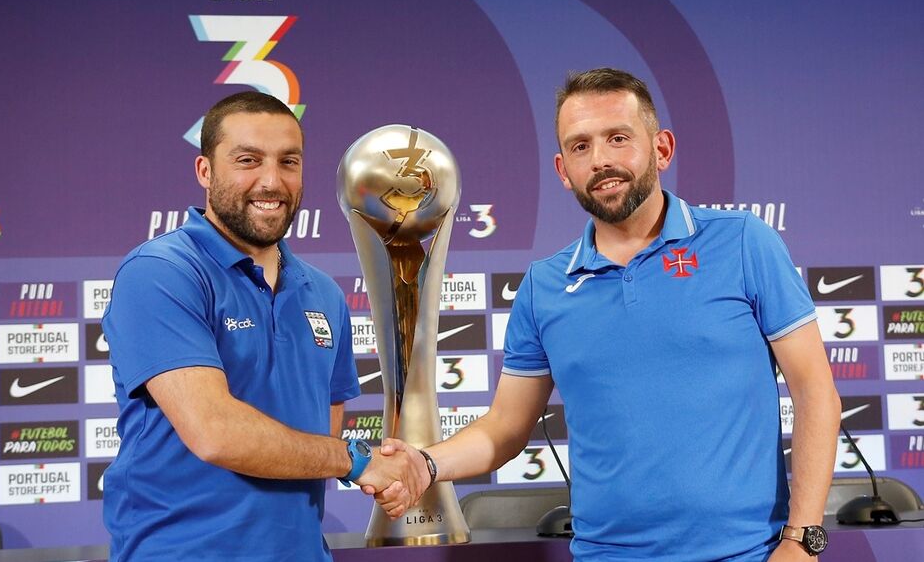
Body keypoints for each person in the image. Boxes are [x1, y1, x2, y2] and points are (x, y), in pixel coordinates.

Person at [373, 69, 841, 561]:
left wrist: (802, 541)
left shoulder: (743, 242)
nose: (600, 160)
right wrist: (426, 463)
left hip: (749, 553)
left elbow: (816, 393)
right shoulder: (544, 286)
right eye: (580, 147)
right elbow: (505, 427)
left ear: (661, 148)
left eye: (618, 138)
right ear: (562, 170)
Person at [102, 92, 421, 562]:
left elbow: (318, 440)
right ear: (205, 172)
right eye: (248, 160)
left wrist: (385, 470)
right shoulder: (161, 272)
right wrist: (358, 460)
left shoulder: (324, 294)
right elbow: (216, 432)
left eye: (288, 162)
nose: (271, 181)